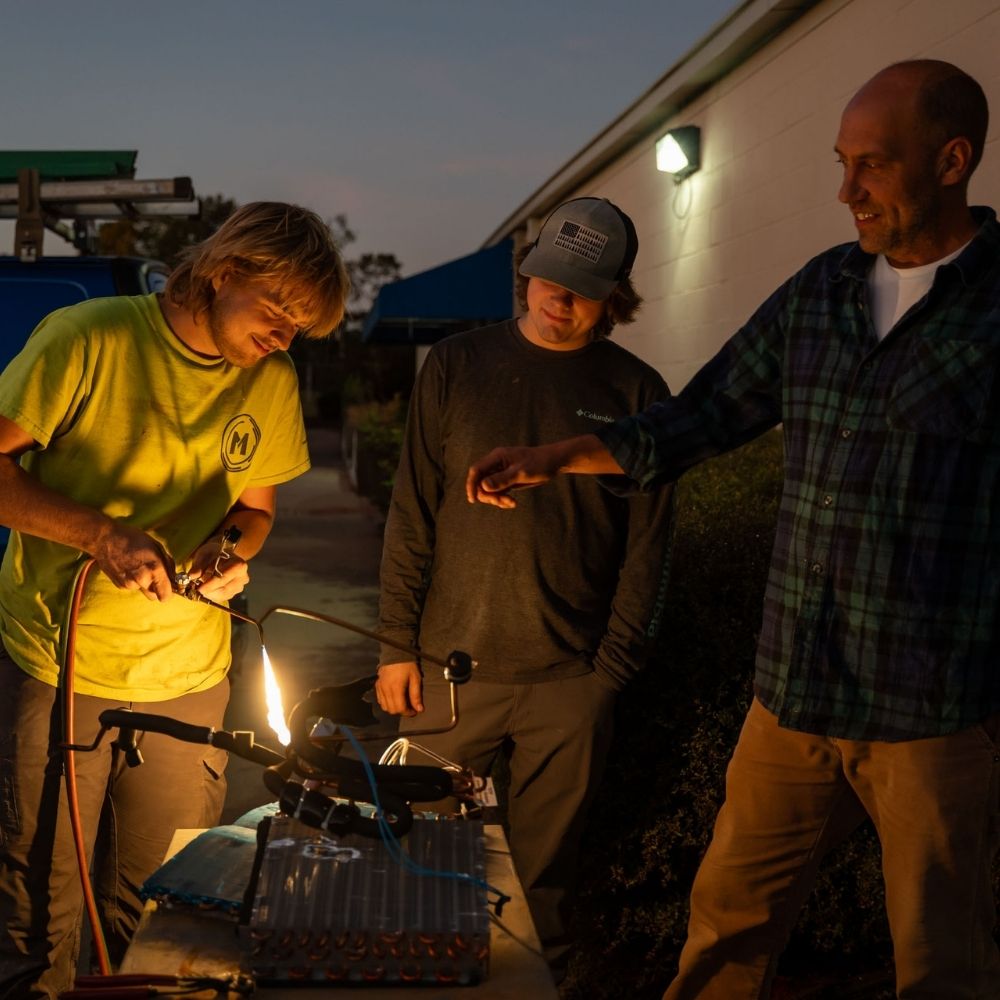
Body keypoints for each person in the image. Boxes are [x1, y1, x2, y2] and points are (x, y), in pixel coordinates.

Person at [467, 60, 1000, 998]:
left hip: (932, 710)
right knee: (724, 931)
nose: (846, 191)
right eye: (842, 163)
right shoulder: (821, 292)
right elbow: (701, 415)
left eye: (871, 165)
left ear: (952, 160)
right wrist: (557, 458)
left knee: (942, 962)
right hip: (791, 692)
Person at [0, 201, 349, 998]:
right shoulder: (88, 338)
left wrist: (227, 554)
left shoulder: (272, 377)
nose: (284, 338)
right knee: (38, 919)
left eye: (301, 328)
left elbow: (255, 511)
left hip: (191, 680)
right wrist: (100, 535)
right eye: (277, 313)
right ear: (224, 274)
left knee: (170, 914)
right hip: (61, 669)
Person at [375, 197, 675, 978]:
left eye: (580, 286)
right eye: (547, 275)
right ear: (528, 269)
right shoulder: (457, 365)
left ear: (616, 295)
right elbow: (411, 511)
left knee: (543, 891)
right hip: (447, 673)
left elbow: (650, 545)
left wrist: (609, 673)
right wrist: (396, 646)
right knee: (417, 865)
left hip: (569, 681)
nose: (557, 296)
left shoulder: (638, 394)